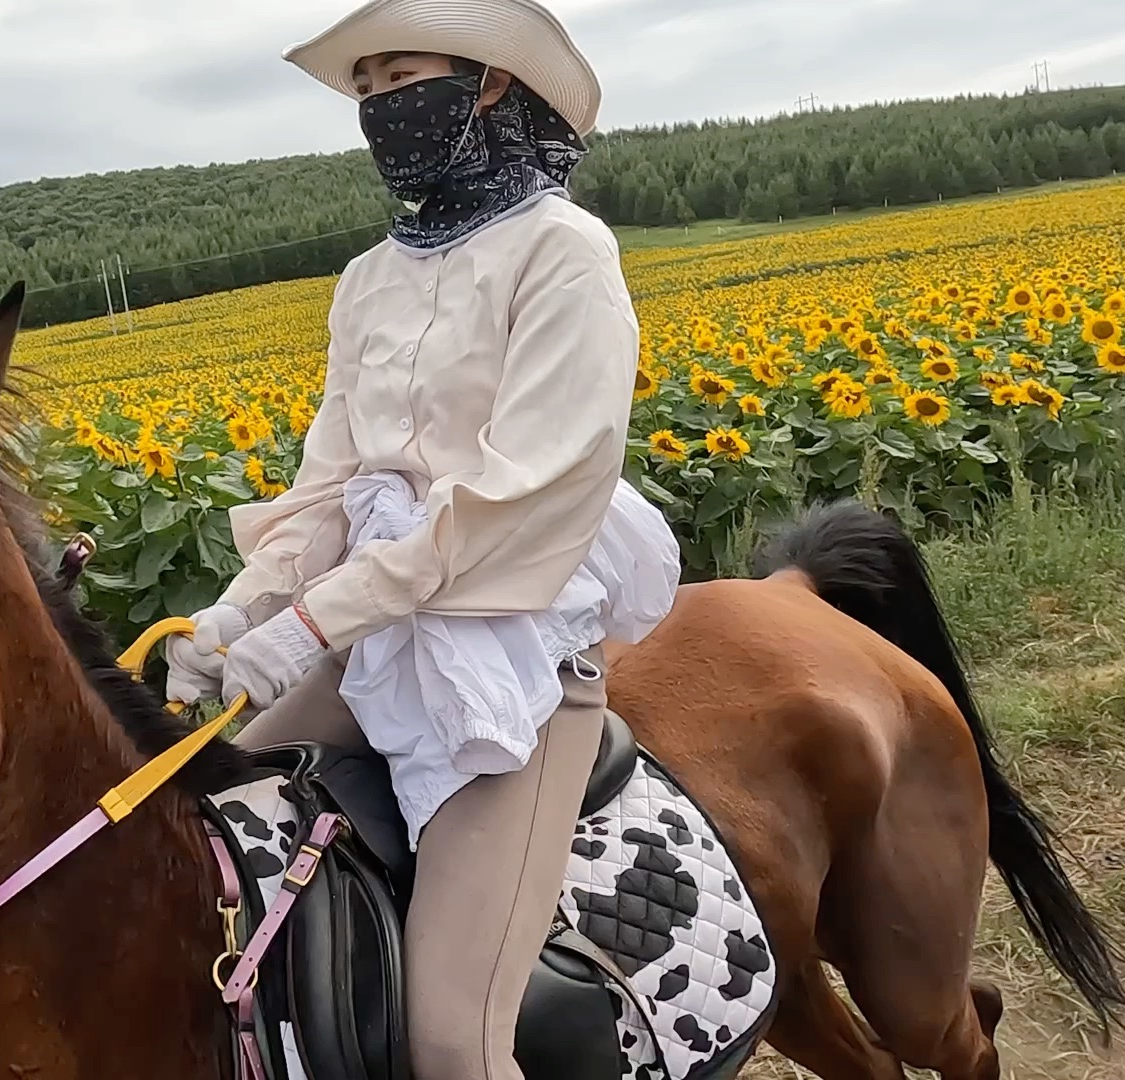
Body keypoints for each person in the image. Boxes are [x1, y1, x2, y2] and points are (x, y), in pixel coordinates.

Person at [165, 0, 682, 1076]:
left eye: (402, 77)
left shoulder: (563, 251)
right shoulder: (367, 280)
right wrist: (242, 608)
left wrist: (311, 620)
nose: (381, 106)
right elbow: (332, 485)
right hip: (376, 637)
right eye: (366, 91)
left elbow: (515, 499)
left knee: (453, 1043)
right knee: (188, 833)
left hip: (512, 651)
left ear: (489, 82)